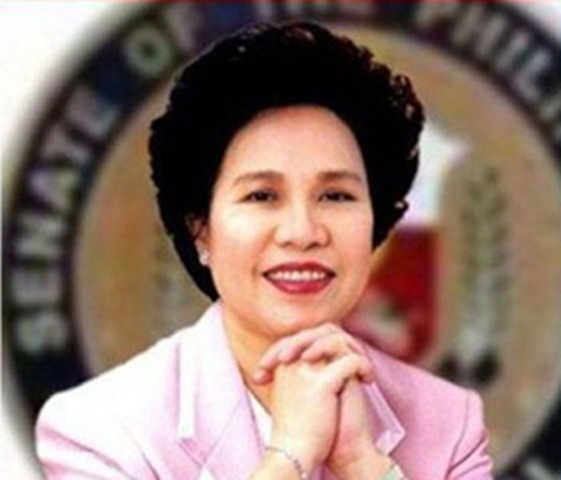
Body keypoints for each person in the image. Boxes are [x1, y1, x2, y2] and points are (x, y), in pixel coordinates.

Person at [35, 21, 494, 480]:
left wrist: (364, 465)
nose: (302, 232)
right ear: (201, 231)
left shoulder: (451, 423)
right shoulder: (98, 430)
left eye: (336, 196)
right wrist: (288, 456)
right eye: (262, 196)